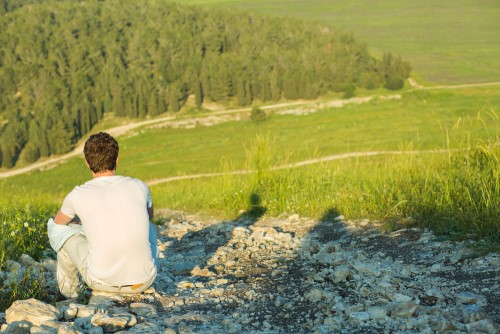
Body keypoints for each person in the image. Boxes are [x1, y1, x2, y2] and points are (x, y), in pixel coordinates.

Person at [47, 132, 158, 298]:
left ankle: (70, 295)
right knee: (147, 224)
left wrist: (80, 221)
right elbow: (149, 215)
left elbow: (58, 223)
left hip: (100, 281)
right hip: (144, 280)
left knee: (61, 233)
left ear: (87, 162)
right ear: (117, 159)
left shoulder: (78, 194)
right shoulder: (139, 186)